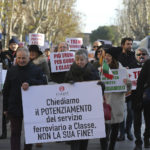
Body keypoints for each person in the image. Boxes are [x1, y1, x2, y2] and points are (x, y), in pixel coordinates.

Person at [2, 47, 47, 150]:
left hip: (31, 107)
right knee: (15, 133)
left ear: (28, 57)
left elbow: (44, 84)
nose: (21, 60)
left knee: (30, 133)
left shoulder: (36, 70)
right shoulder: (11, 71)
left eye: (24, 58)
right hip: (14, 106)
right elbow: (6, 90)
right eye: (19, 58)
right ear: (16, 58)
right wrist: (5, 108)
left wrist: (30, 83)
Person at [65, 49, 100, 150]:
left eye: (82, 59)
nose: (79, 62)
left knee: (85, 135)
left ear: (87, 60)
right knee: (75, 136)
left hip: (87, 108)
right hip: (74, 109)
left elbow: (99, 89)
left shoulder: (93, 71)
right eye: (77, 59)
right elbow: (63, 88)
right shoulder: (70, 71)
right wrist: (69, 84)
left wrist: (100, 85)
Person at [104, 48, 131, 150]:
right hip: (105, 102)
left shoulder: (122, 70)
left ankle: (111, 146)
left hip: (117, 103)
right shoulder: (102, 69)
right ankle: (105, 145)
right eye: (105, 55)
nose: (106, 57)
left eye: (109, 55)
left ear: (113, 58)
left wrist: (126, 83)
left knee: (115, 127)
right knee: (105, 128)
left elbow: (128, 88)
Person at [117, 37, 137, 141]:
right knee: (121, 111)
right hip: (119, 87)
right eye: (128, 44)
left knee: (130, 110)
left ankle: (128, 130)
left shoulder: (135, 55)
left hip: (131, 88)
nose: (130, 46)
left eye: (131, 44)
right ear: (122, 45)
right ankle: (122, 133)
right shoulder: (117, 56)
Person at [0, 37, 19, 140]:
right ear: (9, 45)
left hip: (17, 84)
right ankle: (4, 133)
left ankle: (15, 132)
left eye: (15, 44)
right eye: (12, 44)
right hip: (6, 83)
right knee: (5, 109)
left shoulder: (20, 54)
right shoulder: (4, 54)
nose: (13, 46)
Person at [132, 48, 150, 150]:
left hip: (148, 97)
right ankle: (138, 141)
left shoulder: (149, 64)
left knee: (148, 120)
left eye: (144, 54)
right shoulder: (130, 65)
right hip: (136, 98)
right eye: (139, 54)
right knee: (137, 121)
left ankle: (147, 138)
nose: (141, 56)